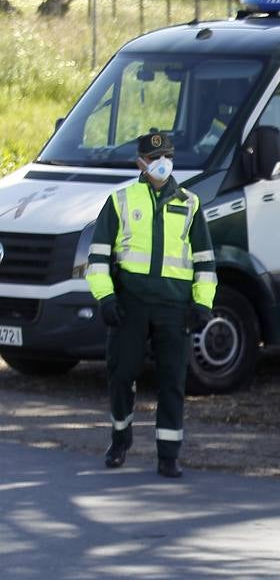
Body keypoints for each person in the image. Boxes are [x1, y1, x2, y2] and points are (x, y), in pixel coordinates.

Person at [85, 131, 217, 478]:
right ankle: (120, 438)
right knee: (121, 375)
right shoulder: (121, 201)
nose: (162, 163)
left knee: (173, 380)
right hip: (131, 305)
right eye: (154, 157)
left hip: (175, 308)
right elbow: (97, 258)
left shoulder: (190, 204)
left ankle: (168, 455)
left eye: (168, 156)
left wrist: (202, 305)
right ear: (140, 162)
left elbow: (205, 261)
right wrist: (106, 298)